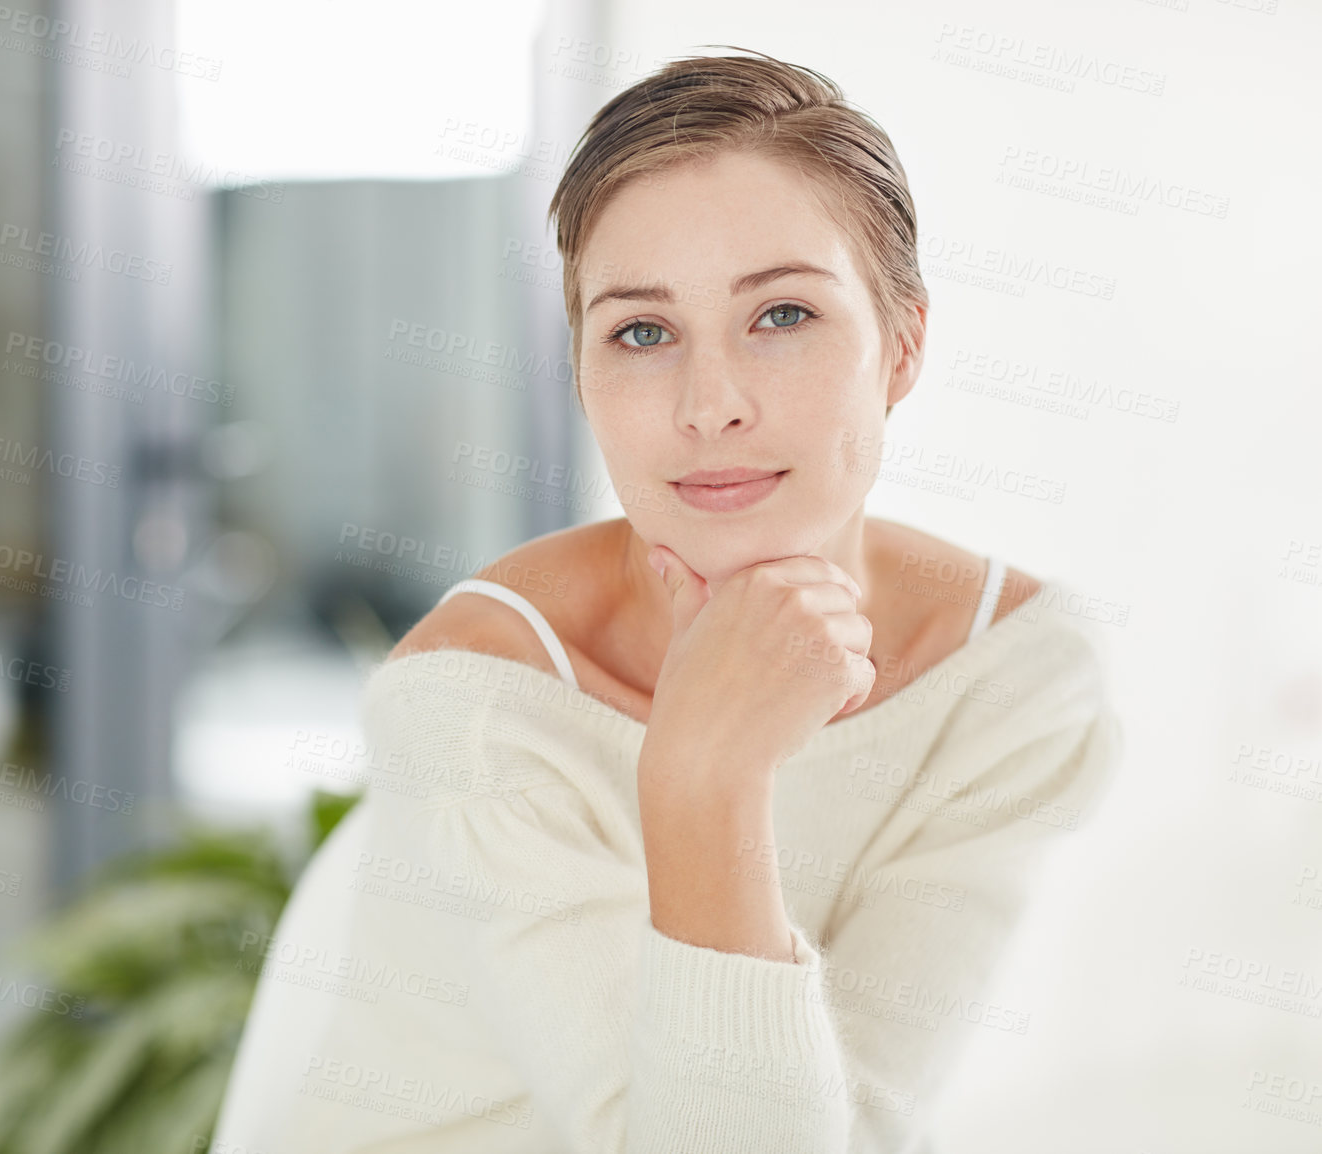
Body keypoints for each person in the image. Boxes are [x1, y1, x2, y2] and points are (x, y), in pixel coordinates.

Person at [211, 47, 1123, 1153]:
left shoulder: (1011, 675)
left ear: (902, 345)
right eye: (640, 332)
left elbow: (866, 1126)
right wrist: (704, 772)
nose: (710, 404)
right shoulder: (481, 696)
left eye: (781, 314)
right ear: (583, 372)